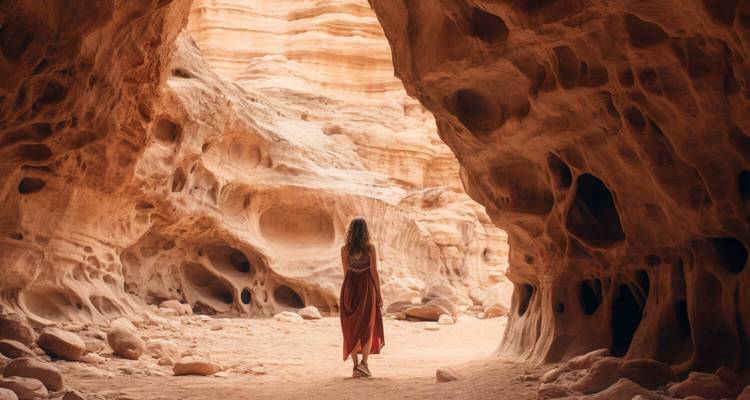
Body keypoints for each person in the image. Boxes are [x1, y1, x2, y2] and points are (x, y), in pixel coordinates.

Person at [339, 217, 384, 378]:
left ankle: (355, 366)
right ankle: (364, 364)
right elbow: (374, 272)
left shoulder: (345, 249)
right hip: (366, 287)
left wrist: (347, 293)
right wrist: (379, 294)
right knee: (367, 326)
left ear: (350, 231)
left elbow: (346, 272)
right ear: (365, 231)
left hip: (350, 287)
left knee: (350, 326)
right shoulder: (370, 248)